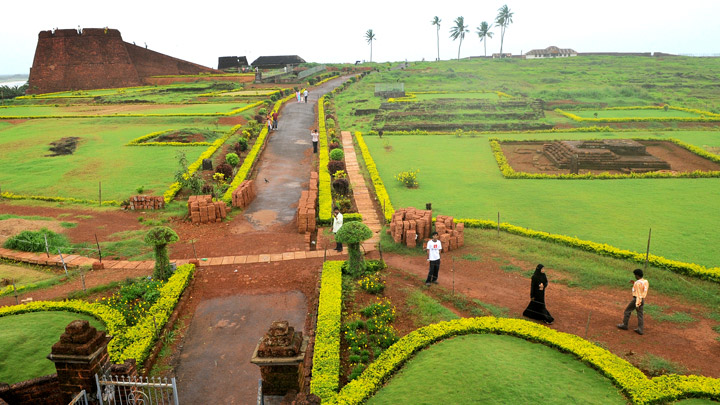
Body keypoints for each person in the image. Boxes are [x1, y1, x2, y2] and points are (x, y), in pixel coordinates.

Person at [617, 269, 649, 335]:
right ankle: (640, 329)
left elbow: (638, 294)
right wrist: (634, 283)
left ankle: (625, 325)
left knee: (627, 311)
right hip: (642, 299)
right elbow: (641, 288)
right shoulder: (645, 281)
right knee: (640, 314)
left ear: (637, 275)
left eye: (635, 275)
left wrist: (637, 304)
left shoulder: (638, 283)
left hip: (637, 299)